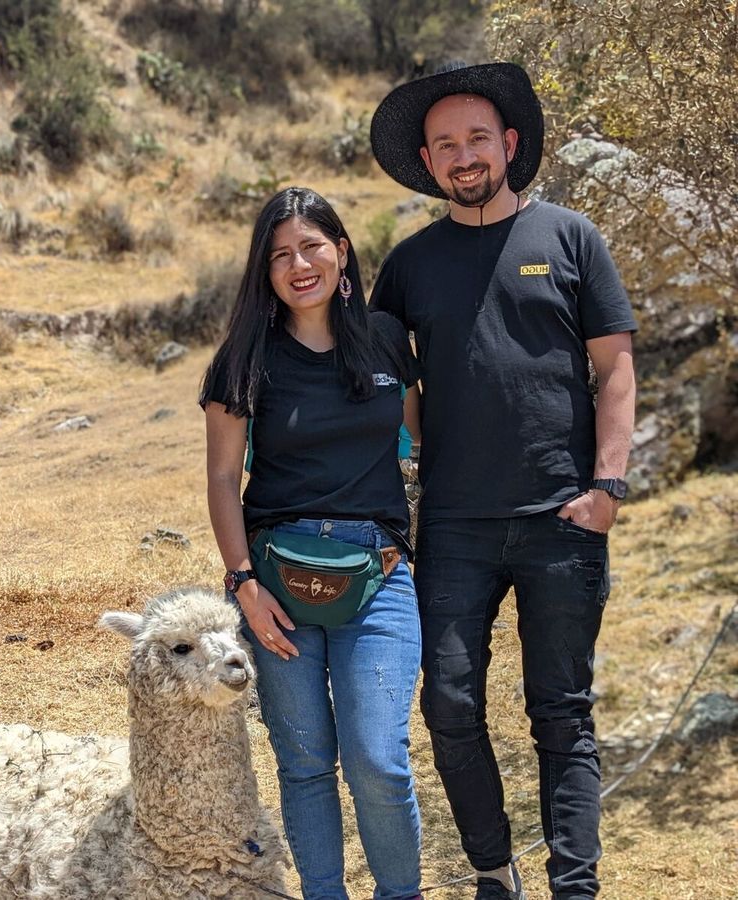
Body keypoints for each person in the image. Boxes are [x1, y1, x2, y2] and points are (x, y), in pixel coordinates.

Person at [368, 62, 637, 900]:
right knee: (448, 706)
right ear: (428, 161)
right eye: (446, 144)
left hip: (563, 517)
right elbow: (389, 383)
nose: (464, 155)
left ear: (509, 143)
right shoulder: (408, 265)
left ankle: (576, 886)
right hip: (452, 527)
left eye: (477, 137)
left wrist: (607, 489)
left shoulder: (570, 237)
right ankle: (494, 870)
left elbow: (616, 367)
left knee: (561, 712)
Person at [200, 186, 424, 900]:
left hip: (381, 575)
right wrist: (244, 587)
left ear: (342, 252)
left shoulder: (388, 339)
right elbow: (220, 478)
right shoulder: (244, 358)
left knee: (377, 759)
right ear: (264, 272)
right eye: (281, 255)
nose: (299, 265)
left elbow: (420, 440)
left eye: (312, 247)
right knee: (303, 764)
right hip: (277, 585)